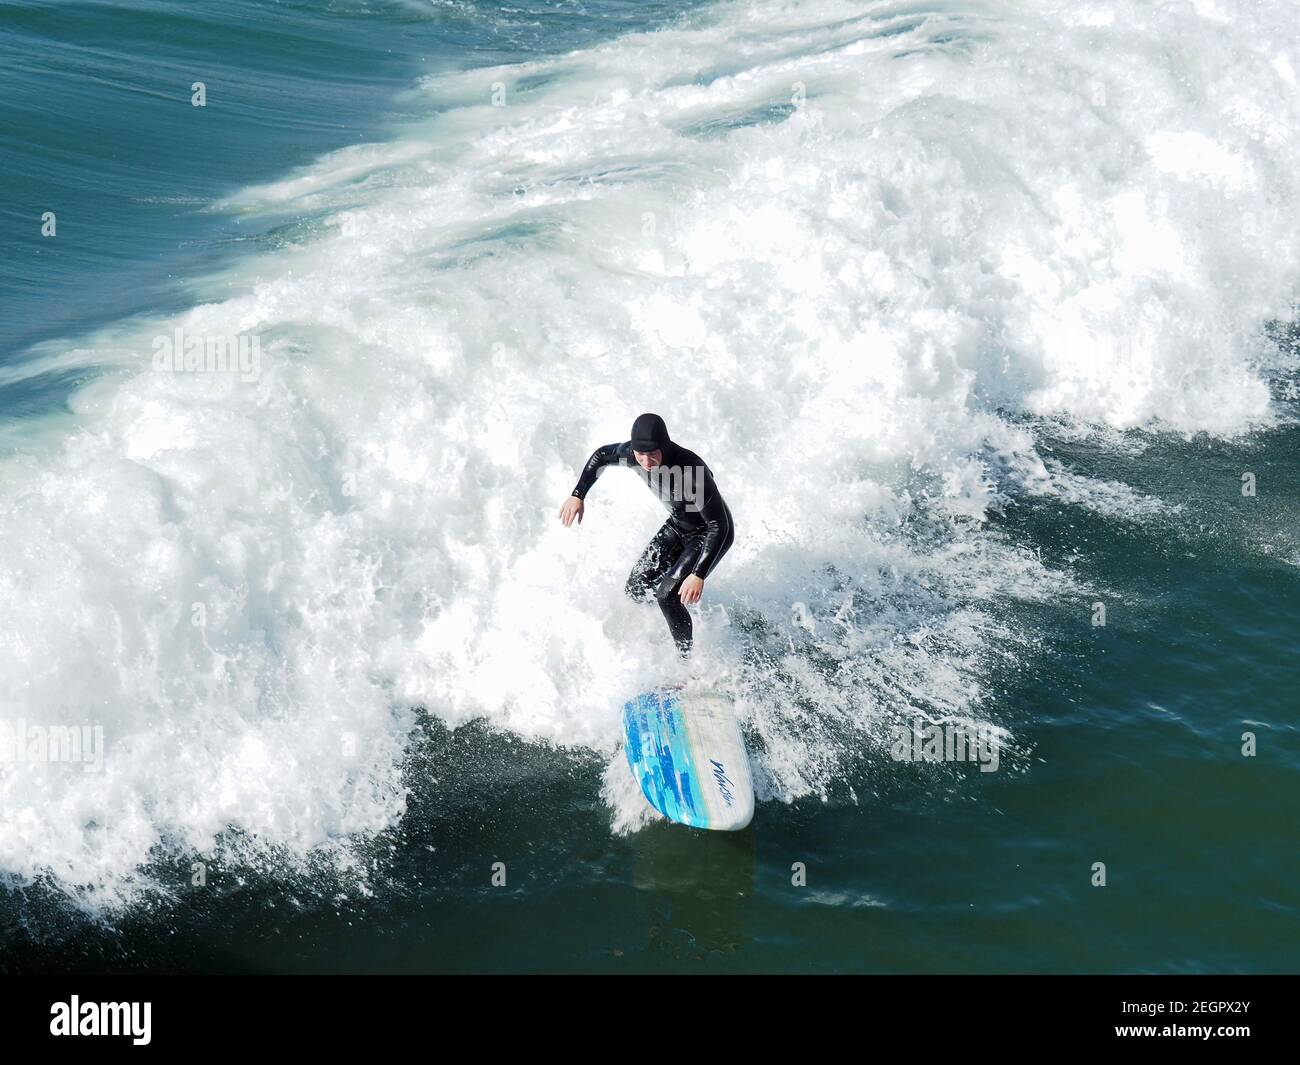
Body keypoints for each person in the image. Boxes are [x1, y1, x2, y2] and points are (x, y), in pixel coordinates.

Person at [559, 413, 734, 657]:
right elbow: (600, 456)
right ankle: (675, 620)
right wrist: (578, 494)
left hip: (709, 534)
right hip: (677, 525)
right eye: (641, 455)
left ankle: (688, 665)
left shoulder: (691, 470)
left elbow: (719, 525)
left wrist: (698, 574)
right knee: (635, 588)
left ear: (665, 447)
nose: (647, 462)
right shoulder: (631, 455)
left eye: (653, 455)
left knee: (667, 596)